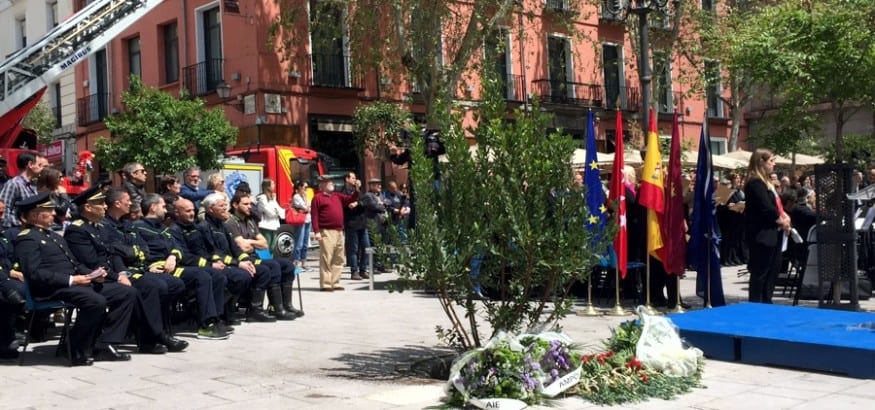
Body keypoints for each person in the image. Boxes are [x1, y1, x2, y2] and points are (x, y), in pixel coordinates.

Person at [15, 192, 138, 365]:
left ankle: (104, 344)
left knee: (125, 292)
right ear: (34, 215)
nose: (53, 214)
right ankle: (73, 347)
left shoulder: (54, 236)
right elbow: (34, 273)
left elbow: (75, 263)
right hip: (51, 289)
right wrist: (72, 280)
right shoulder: (27, 239)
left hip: (75, 285)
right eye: (48, 210)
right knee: (95, 301)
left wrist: (92, 275)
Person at [66, 187, 188, 355]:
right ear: (88, 207)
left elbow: (114, 253)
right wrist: (119, 275)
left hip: (119, 272)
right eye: (100, 203)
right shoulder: (79, 229)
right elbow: (93, 262)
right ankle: (153, 337)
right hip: (97, 277)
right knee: (149, 286)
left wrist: (121, 273)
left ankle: (152, 335)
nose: (105, 206)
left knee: (169, 285)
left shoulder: (98, 227)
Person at [133, 194, 232, 339]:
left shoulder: (163, 228)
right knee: (201, 276)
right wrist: (148, 267)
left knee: (215, 275)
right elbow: (140, 252)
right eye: (163, 206)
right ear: (153, 208)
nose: (166, 210)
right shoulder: (138, 228)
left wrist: (173, 256)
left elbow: (177, 248)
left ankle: (214, 319)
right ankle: (206, 325)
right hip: (158, 269)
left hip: (174, 266)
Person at [169, 198, 251, 328]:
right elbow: (185, 256)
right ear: (177, 213)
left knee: (240, 275)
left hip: (208, 264)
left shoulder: (196, 227)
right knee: (221, 276)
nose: (192, 213)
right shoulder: (175, 230)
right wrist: (211, 264)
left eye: (193, 210)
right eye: (187, 211)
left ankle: (218, 316)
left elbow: (211, 249)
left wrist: (237, 259)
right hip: (189, 268)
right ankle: (208, 316)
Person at [198, 193, 277, 322]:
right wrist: (237, 263)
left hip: (231, 262)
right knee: (242, 275)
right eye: (221, 206)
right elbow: (214, 253)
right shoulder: (205, 227)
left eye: (225, 205)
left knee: (263, 270)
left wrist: (244, 259)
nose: (225, 208)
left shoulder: (222, 225)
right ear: (211, 209)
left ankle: (254, 310)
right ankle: (221, 311)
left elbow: (235, 248)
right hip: (218, 263)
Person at [744, 148, 791, 303]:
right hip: (762, 234)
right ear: (761, 162)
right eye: (771, 161)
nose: (774, 164)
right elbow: (766, 207)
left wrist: (785, 215)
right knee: (760, 271)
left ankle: (766, 300)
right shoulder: (755, 182)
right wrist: (781, 220)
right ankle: (756, 304)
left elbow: (776, 205)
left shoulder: (767, 182)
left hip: (773, 232)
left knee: (772, 270)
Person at [311, 175, 359, 291]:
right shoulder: (318, 198)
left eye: (331, 181)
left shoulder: (337, 196)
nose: (331, 183)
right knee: (327, 257)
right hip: (326, 231)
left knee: (339, 258)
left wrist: (357, 190)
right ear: (322, 185)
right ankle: (326, 284)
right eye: (328, 182)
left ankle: (335, 282)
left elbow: (350, 199)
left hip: (339, 231)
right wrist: (316, 231)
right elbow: (314, 216)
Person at [0, 151, 48, 228]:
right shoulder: (14, 184)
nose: (42, 169)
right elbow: (5, 208)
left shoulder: (33, 185)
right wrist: (14, 228)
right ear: (30, 164)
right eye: (40, 165)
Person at [342, 172, 369, 280]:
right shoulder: (344, 192)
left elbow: (365, 201)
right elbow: (348, 205)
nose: (355, 180)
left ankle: (363, 269)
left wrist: (358, 203)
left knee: (366, 247)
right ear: (347, 179)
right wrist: (357, 203)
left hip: (362, 223)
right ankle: (354, 271)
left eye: (355, 177)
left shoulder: (358, 191)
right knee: (353, 249)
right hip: (352, 223)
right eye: (352, 178)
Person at [256, 179, 285, 250]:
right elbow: (270, 213)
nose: (274, 185)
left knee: (273, 246)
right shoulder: (262, 198)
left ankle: (270, 260)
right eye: (272, 184)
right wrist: (277, 212)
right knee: (266, 246)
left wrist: (277, 211)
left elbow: (280, 210)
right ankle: (265, 260)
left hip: (274, 225)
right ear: (267, 186)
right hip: (266, 226)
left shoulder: (273, 197)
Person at [291, 181, 312, 270]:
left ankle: (304, 261)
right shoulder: (296, 197)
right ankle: (296, 261)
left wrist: (307, 208)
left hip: (307, 220)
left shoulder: (304, 196)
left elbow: (310, 208)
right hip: (300, 221)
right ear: (299, 187)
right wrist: (306, 208)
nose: (306, 190)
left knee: (305, 243)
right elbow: (306, 207)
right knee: (298, 242)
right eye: (305, 187)